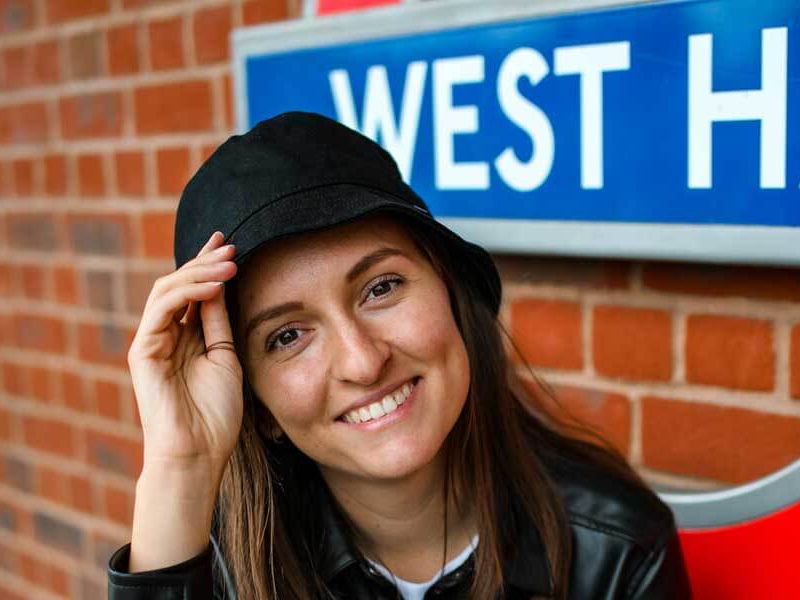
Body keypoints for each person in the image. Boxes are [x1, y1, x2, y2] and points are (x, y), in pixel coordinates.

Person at [107, 111, 691, 599]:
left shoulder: (615, 550)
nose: (363, 362)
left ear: (449, 291)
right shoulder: (221, 569)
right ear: (255, 403)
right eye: (287, 336)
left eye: (380, 288)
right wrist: (179, 467)